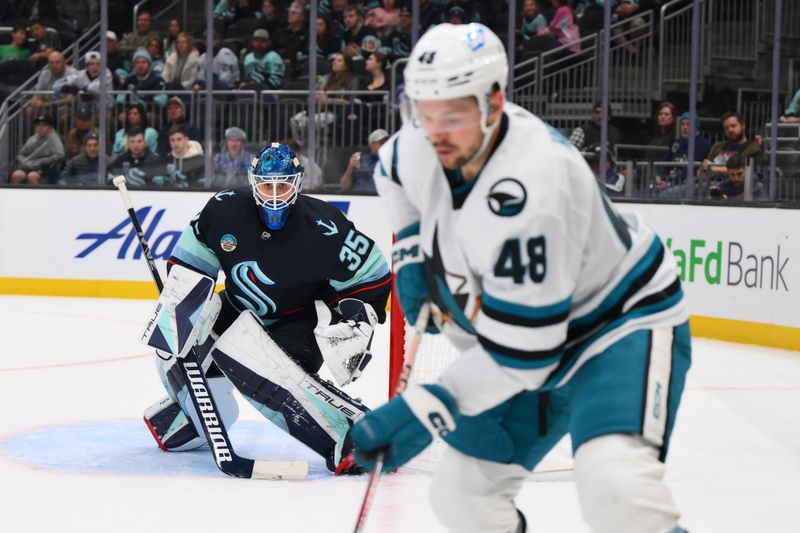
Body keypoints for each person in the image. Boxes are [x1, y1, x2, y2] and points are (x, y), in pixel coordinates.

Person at [351, 23, 691, 533]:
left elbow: (525, 353)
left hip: (616, 326)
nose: (435, 133)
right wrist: (413, 255)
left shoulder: (534, 186)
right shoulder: (415, 146)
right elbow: (393, 177)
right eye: (424, 112)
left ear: (494, 101)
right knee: (462, 498)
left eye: (453, 115)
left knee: (617, 492)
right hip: (528, 334)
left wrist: (428, 406)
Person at [140, 142, 392, 476]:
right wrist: (182, 311)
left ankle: (349, 435)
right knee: (169, 346)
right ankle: (196, 418)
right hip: (238, 308)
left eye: (282, 185)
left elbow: (372, 273)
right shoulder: (223, 210)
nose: (274, 195)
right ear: (253, 181)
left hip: (297, 322)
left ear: (297, 184)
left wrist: (358, 317)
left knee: (249, 361)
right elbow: (191, 263)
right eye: (266, 185)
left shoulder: (324, 225)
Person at [702, 111, 762, 183]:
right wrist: (703, 171)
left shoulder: (753, 149)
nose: (730, 130)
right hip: (708, 184)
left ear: (743, 126)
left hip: (734, 186)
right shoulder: (718, 146)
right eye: (726, 128)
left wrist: (714, 168)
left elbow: (745, 171)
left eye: (733, 126)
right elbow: (703, 168)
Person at [9, 113, 65, 184]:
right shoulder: (32, 139)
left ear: (50, 127)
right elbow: (21, 154)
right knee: (16, 175)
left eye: (44, 125)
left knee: (32, 176)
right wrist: (24, 161)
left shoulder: (54, 139)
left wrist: (42, 161)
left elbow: (60, 155)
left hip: (44, 168)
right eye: (38, 125)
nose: (41, 128)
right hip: (28, 165)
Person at [29, 51, 78, 117]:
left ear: (64, 63)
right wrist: (36, 102)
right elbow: (37, 95)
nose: (54, 65)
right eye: (51, 63)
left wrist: (47, 104)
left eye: (57, 62)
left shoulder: (73, 73)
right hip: (47, 107)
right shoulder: (44, 74)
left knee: (64, 115)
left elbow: (70, 99)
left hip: (66, 106)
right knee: (31, 109)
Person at [339, 128, 389, 193]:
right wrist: (350, 167)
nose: (385, 145)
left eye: (387, 142)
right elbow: (344, 187)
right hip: (357, 195)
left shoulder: (391, 161)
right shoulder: (359, 159)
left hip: (379, 196)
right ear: (372, 144)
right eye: (381, 142)